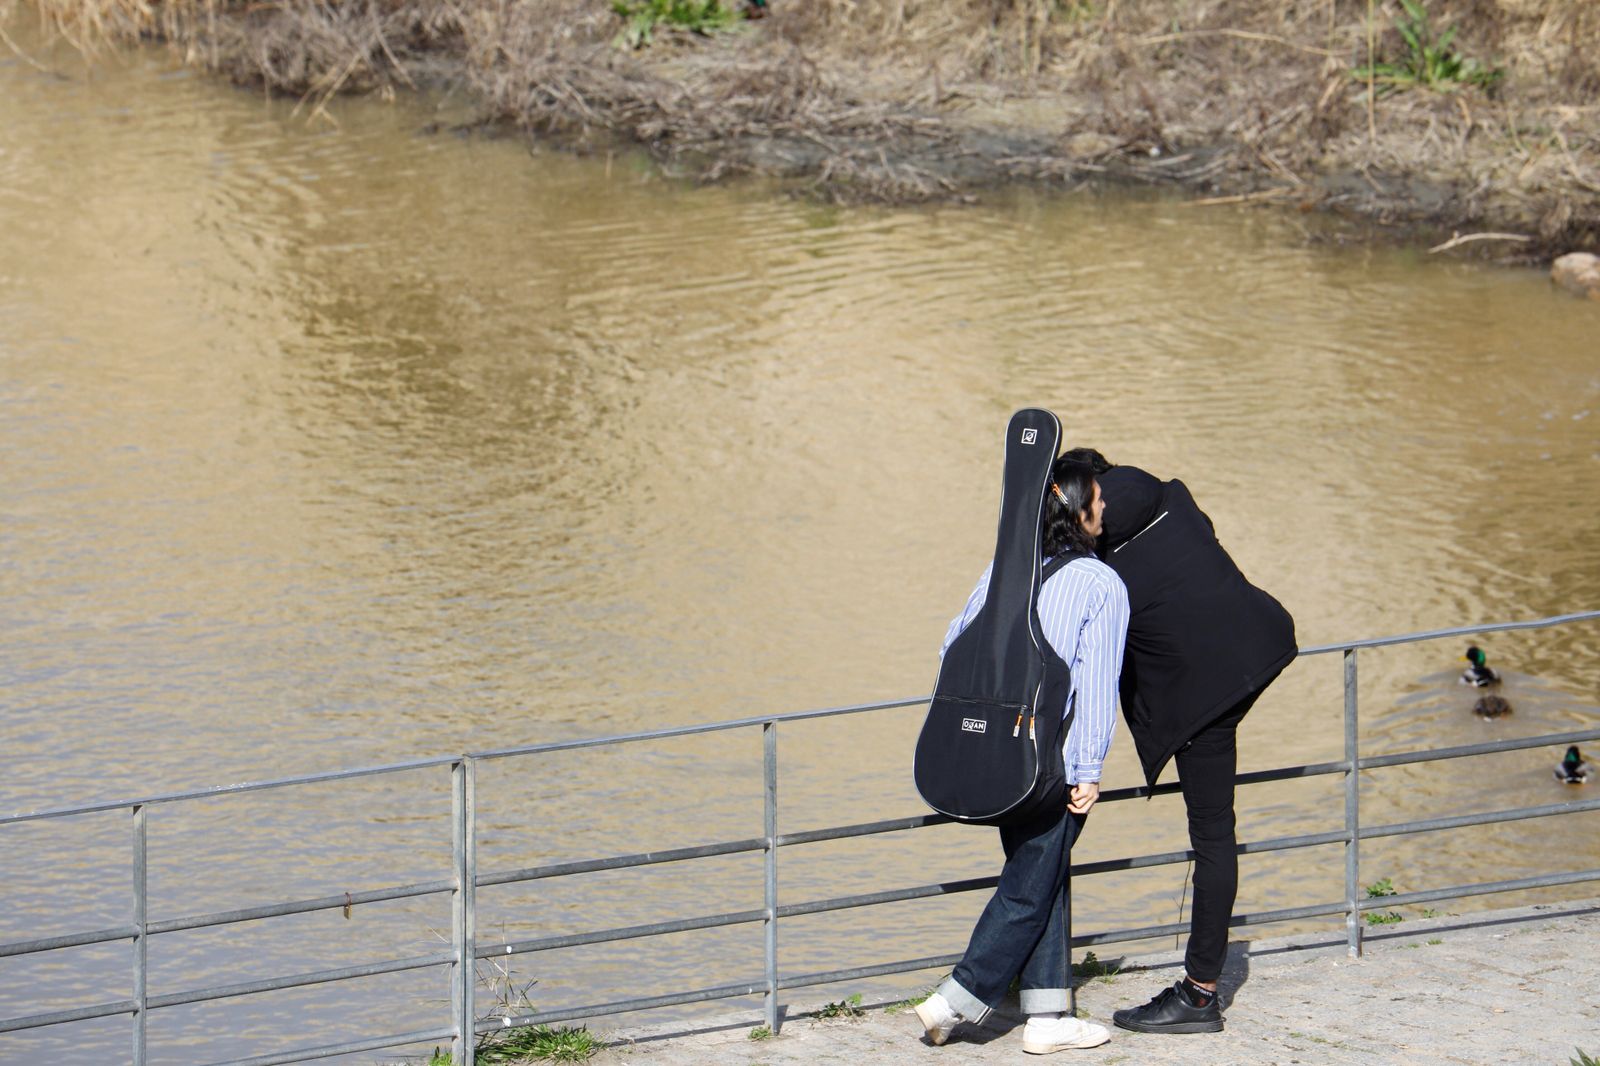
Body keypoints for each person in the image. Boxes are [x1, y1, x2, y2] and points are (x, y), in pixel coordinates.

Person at [1062, 448, 1296, 1035]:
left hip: (1202, 692)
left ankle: (1198, 995)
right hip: (1258, 645)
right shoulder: (1173, 496)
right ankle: (1199, 989)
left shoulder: (1094, 559)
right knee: (1218, 833)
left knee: (1213, 836)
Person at [915, 458, 1130, 1055]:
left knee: (1043, 872)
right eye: (1098, 499)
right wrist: (1088, 771)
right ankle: (955, 999)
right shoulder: (1101, 584)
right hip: (1052, 760)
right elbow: (1096, 686)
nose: (1105, 508)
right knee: (1028, 887)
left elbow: (952, 645)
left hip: (999, 751)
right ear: (1079, 512)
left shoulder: (1005, 569)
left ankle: (1047, 1015)